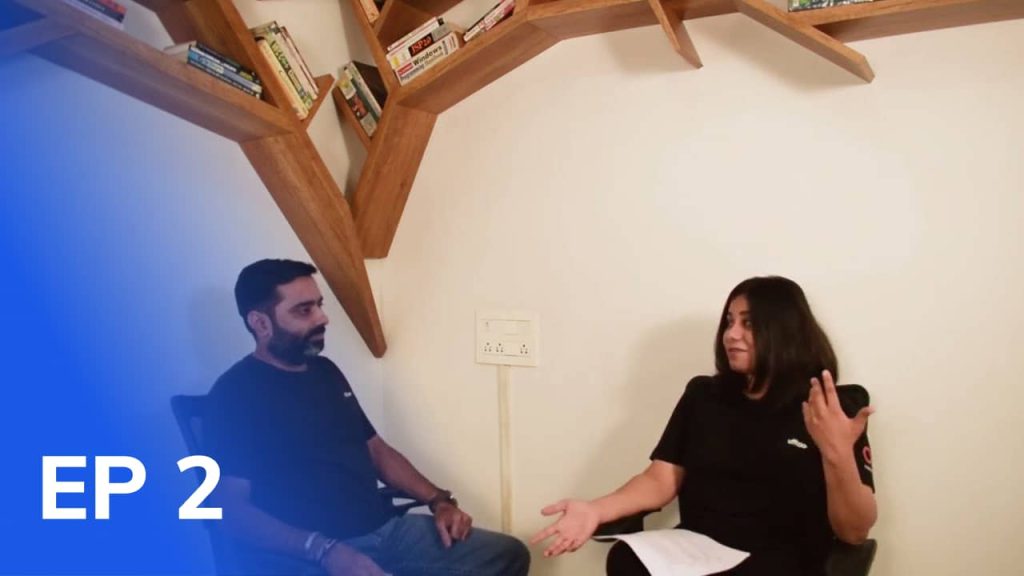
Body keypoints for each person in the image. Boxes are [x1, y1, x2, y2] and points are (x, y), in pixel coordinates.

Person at [530, 276, 876, 576]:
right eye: (729, 322)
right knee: (626, 559)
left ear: (784, 332)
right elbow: (660, 479)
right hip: (698, 549)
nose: (731, 334)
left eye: (748, 323)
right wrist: (595, 509)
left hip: (782, 558)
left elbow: (854, 532)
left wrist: (837, 453)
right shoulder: (704, 396)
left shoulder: (829, 407)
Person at [204, 259, 529, 576]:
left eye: (319, 305)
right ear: (260, 323)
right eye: (304, 310)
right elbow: (230, 510)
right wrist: (323, 550)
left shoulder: (325, 372)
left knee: (506, 555)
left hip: (382, 529)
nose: (322, 318)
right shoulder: (235, 394)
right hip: (310, 552)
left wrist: (439, 501)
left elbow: (376, 450)